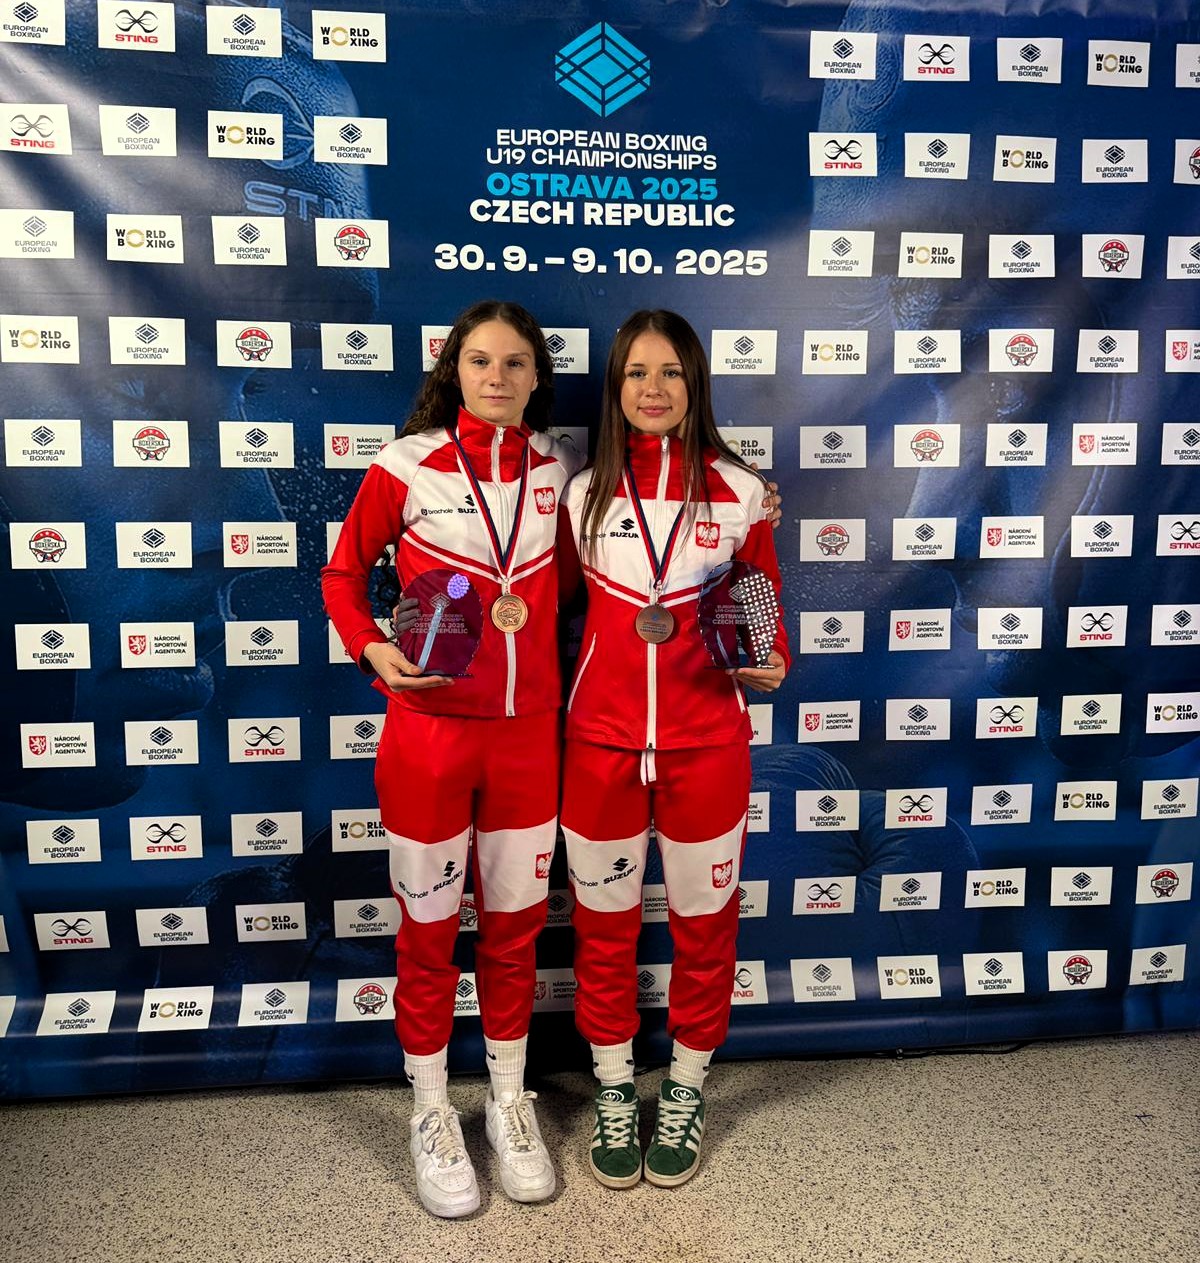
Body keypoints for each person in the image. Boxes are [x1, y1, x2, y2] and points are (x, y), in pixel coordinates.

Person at [322, 300, 581, 1217]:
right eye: (480, 361)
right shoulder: (407, 464)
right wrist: (369, 645)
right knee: (427, 935)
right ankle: (431, 1109)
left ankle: (508, 1100)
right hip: (429, 734)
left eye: (515, 362)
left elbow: (642, 531)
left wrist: (757, 496)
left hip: (527, 739)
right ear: (454, 370)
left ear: (537, 376)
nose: (497, 377)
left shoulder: (562, 468)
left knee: (514, 931)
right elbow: (342, 574)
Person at [559, 310, 790, 1189]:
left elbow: (764, 602)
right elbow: (540, 608)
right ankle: (615, 1086)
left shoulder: (742, 491)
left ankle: (687, 1084)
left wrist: (773, 660)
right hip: (600, 747)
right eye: (636, 373)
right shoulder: (583, 493)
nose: (653, 389)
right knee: (603, 930)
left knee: (705, 928)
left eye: (670, 373)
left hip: (708, 746)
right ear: (614, 386)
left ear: (696, 384)